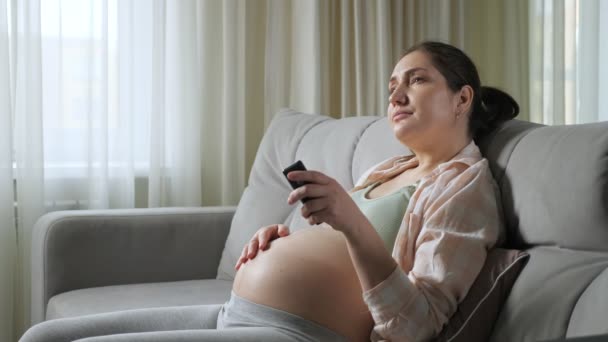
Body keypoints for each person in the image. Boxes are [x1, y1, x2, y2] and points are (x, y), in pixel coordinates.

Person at [20, 41, 518, 342]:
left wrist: (350, 222)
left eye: (417, 80)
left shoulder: (465, 188)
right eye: (391, 84)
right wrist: (278, 240)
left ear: (462, 98)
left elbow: (418, 324)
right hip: (233, 313)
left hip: (295, 333)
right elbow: (335, 251)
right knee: (42, 336)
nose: (395, 94)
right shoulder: (390, 169)